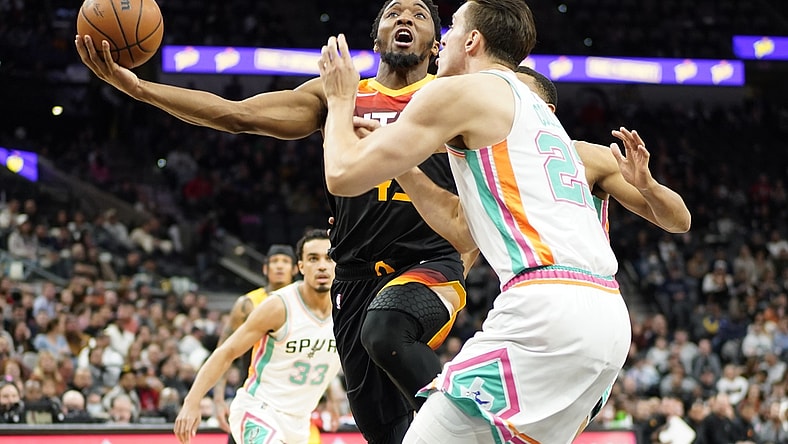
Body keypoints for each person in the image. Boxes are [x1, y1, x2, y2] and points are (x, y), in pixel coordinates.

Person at [76, 1, 468, 442]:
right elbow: (236, 114)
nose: (405, 18)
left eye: (419, 15)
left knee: (386, 329)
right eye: (394, 12)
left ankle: (467, 428)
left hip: (427, 262)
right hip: (355, 277)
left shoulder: (452, 97)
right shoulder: (338, 96)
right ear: (375, 39)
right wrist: (139, 88)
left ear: (436, 45)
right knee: (382, 428)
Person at [318, 0, 631, 442]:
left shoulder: (461, 94)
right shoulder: (538, 111)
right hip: (608, 312)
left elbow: (342, 174)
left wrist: (338, 101)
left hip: (544, 305)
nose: (443, 38)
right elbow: (465, 228)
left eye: (451, 28)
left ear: (472, 41)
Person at [173, 229, 340, 444]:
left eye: (329, 258)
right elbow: (226, 352)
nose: (322, 266)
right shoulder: (278, 306)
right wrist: (192, 401)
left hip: (299, 422)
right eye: (313, 259)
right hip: (259, 411)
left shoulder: (346, 309)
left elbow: (320, 357)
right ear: (300, 267)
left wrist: (333, 398)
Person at [213, 244, 298, 438]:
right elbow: (223, 351)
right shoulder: (248, 303)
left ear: (295, 268)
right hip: (253, 394)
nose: (279, 266)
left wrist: (332, 397)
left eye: (285, 262)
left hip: (292, 398)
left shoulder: (304, 304)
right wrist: (218, 399)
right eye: (274, 261)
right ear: (265, 268)